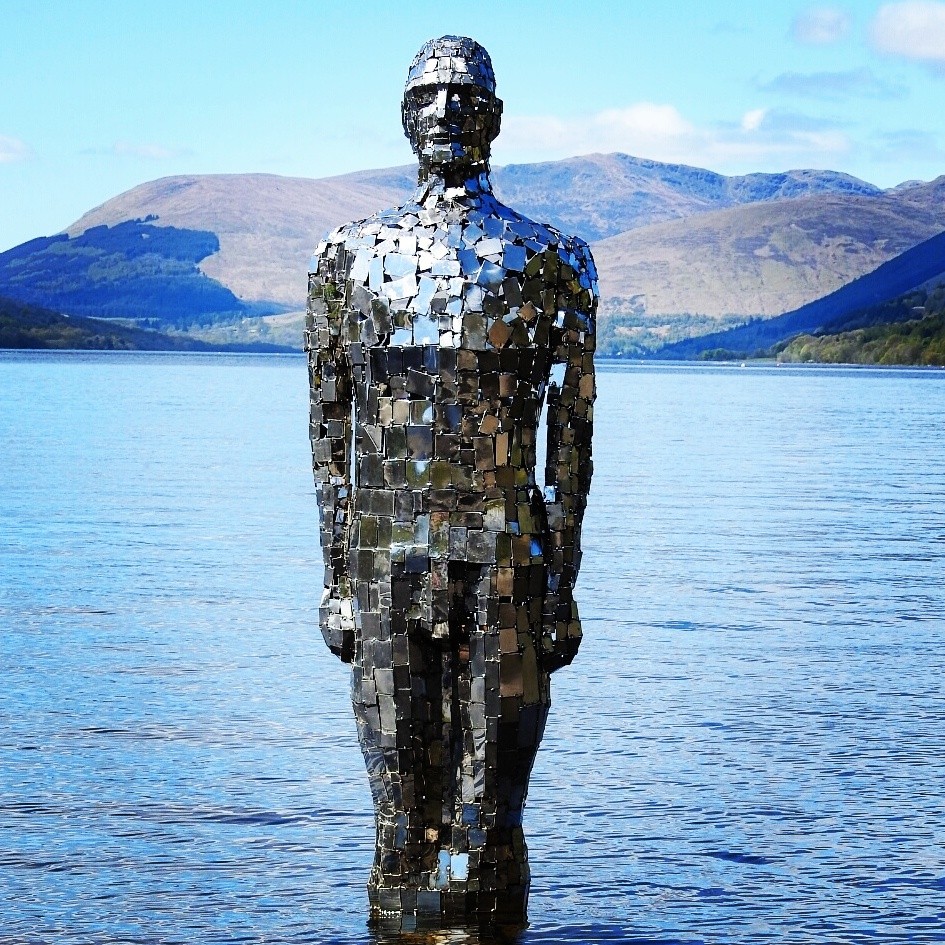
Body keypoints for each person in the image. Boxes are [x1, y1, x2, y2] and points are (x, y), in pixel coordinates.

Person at [305, 35, 597, 925]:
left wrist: (562, 589)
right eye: (427, 97)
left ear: (496, 120)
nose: (445, 113)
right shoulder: (346, 259)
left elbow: (572, 438)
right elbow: (330, 431)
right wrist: (332, 582)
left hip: (510, 563)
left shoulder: (553, 261)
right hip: (383, 564)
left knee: (489, 822)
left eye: (465, 97)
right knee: (399, 823)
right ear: (403, 118)